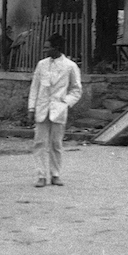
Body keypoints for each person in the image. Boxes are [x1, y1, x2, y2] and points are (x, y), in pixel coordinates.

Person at [27, 33, 82, 187]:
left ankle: (55, 174)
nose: (45, 50)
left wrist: (65, 102)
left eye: (47, 47)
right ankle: (41, 175)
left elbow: (76, 90)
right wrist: (31, 108)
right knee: (39, 143)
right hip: (42, 108)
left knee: (56, 144)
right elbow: (35, 87)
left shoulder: (70, 66)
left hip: (58, 109)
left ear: (56, 47)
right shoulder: (41, 65)